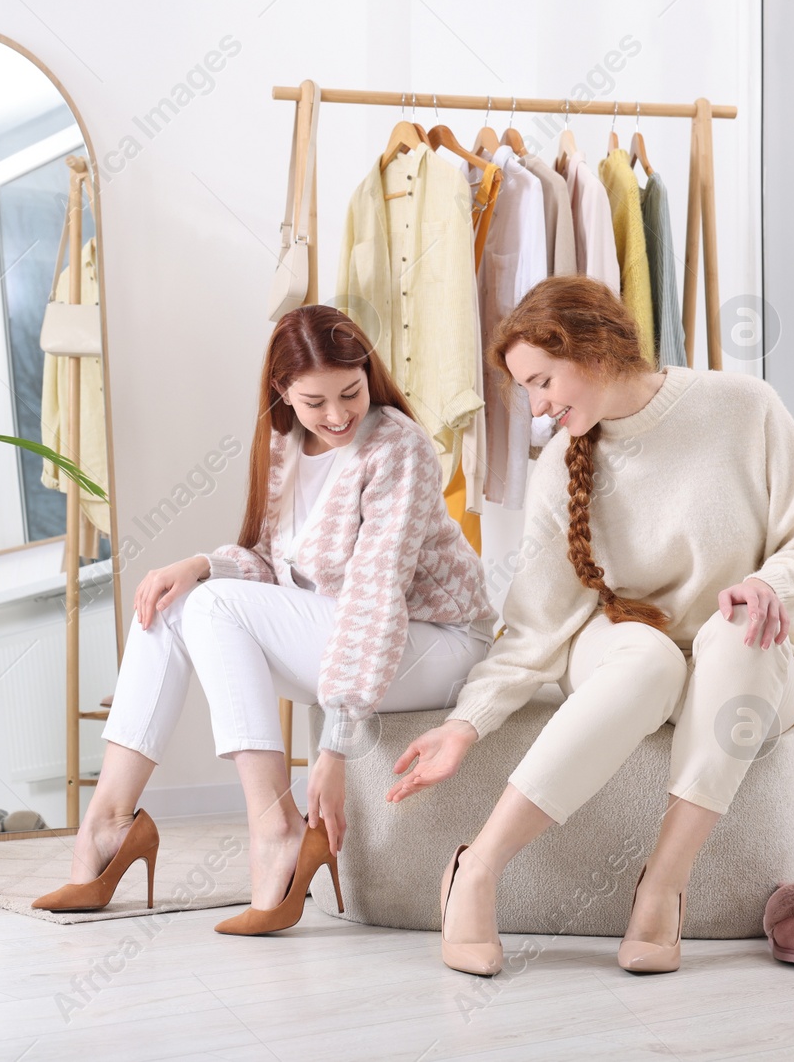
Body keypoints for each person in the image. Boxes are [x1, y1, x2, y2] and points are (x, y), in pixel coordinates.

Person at [388, 275, 794, 975]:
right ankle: (477, 866)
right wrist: (466, 722)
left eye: (543, 381)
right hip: (626, 644)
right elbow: (535, 629)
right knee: (652, 660)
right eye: (529, 392)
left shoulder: (745, 408)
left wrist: (767, 583)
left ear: (593, 348)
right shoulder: (561, 467)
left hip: (752, 658)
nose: (539, 408)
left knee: (736, 631)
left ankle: (663, 882)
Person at [31, 304, 498, 933]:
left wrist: (335, 748)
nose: (336, 415)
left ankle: (275, 829)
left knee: (214, 602)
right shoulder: (283, 446)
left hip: (435, 643)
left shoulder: (397, 446)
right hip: (348, 631)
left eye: (351, 392)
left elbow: (374, 593)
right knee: (171, 604)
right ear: (282, 391)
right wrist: (195, 564)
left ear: (369, 374)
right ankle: (108, 825)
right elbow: (277, 571)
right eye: (314, 401)